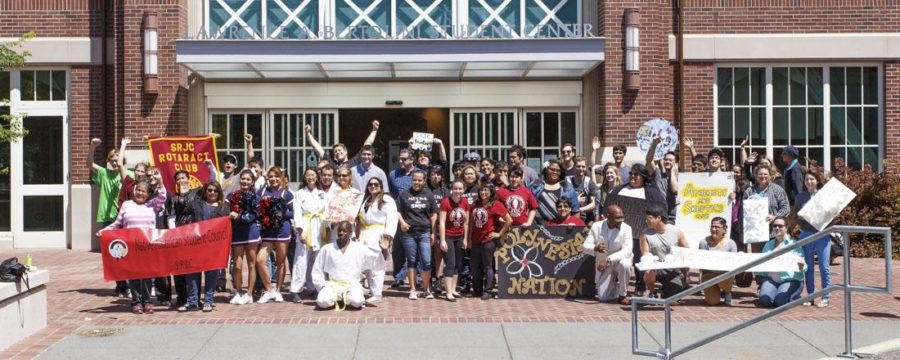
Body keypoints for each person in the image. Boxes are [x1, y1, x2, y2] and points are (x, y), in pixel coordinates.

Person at [97, 181, 166, 314]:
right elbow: (117, 223)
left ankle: (147, 302)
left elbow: (163, 196)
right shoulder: (127, 205)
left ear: (148, 194)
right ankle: (136, 302)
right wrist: (104, 231)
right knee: (133, 275)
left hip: (147, 246)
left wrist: (160, 182)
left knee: (147, 276)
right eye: (138, 190)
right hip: (131, 247)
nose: (140, 193)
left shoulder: (152, 205)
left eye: (143, 191)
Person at [88, 137, 132, 297]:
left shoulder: (128, 174)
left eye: (116, 160)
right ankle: (120, 285)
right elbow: (89, 164)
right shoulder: (104, 173)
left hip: (124, 218)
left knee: (126, 253)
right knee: (113, 254)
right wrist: (92, 146)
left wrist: (123, 146)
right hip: (108, 218)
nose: (114, 163)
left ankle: (127, 284)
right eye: (112, 160)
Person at [180, 180, 231, 312]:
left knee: (212, 275)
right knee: (192, 273)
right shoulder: (196, 204)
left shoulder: (224, 208)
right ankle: (192, 301)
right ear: (205, 191)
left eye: (215, 190)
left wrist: (234, 216)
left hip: (214, 247)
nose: (212, 193)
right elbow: (183, 209)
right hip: (195, 245)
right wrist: (184, 195)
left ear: (219, 192)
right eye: (209, 190)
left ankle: (208, 301)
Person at [311, 221, 379, 310]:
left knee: (357, 301)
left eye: (344, 230)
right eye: (339, 230)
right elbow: (317, 270)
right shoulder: (327, 248)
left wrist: (384, 251)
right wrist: (322, 285)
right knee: (322, 302)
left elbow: (373, 260)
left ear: (351, 232)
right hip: (333, 285)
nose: (340, 233)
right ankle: (338, 298)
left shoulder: (359, 248)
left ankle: (346, 298)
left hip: (352, 285)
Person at [162, 170, 204, 307]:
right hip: (179, 236)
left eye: (183, 178)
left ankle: (195, 298)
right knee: (178, 268)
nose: (181, 180)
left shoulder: (197, 193)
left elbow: (215, 184)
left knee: (194, 268)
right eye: (178, 178)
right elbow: (171, 216)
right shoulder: (173, 198)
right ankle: (181, 298)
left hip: (194, 235)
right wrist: (174, 234)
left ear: (189, 179)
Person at [396, 171, 438, 300]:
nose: (417, 182)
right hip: (408, 233)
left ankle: (426, 289)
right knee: (412, 261)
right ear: (411, 180)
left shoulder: (428, 194)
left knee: (426, 262)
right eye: (415, 180)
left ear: (424, 181)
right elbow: (397, 211)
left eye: (420, 180)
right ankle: (413, 289)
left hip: (424, 232)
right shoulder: (404, 194)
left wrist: (433, 233)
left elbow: (433, 215)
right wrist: (402, 223)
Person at [256, 166, 294, 304]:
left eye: (276, 176)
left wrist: (282, 214)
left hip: (282, 231)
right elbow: (256, 208)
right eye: (270, 176)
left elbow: (294, 212)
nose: (273, 179)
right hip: (267, 232)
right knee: (260, 260)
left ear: (281, 178)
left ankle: (278, 290)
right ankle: (269, 290)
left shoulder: (286, 193)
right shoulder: (262, 192)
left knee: (280, 262)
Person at [357, 177, 398, 304]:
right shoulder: (366, 200)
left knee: (377, 266)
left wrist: (387, 238)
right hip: (364, 236)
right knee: (367, 266)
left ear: (381, 186)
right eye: (370, 184)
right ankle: (371, 289)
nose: (373, 186)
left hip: (378, 235)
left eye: (376, 184)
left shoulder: (387, 200)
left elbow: (392, 219)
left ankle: (377, 293)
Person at [469, 184, 513, 300]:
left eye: (486, 190)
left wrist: (499, 234)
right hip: (475, 240)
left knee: (488, 266)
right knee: (475, 266)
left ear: (491, 192)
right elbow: (471, 223)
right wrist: (468, 238)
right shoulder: (475, 204)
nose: (483, 192)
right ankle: (477, 290)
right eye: (481, 190)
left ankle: (488, 290)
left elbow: (509, 220)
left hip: (488, 240)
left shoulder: (496, 204)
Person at [582, 205, 633, 304]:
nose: (621, 220)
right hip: (603, 264)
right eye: (617, 218)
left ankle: (623, 295)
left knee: (625, 264)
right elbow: (585, 246)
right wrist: (595, 248)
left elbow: (628, 250)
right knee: (603, 298)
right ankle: (616, 286)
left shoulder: (627, 228)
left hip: (619, 261)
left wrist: (609, 259)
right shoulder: (597, 226)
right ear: (608, 217)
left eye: (622, 217)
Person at [795, 169, 831, 307]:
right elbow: (797, 218)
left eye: (812, 179)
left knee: (824, 266)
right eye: (807, 180)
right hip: (806, 233)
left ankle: (825, 296)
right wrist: (801, 218)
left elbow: (832, 217)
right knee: (808, 267)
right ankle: (810, 296)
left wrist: (831, 219)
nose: (809, 182)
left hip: (822, 234)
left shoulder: (824, 196)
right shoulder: (800, 197)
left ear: (817, 181)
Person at [291, 168, 328, 303]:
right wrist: (301, 230)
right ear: (304, 178)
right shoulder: (299, 194)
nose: (311, 177)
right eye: (308, 175)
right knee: (301, 259)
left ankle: (314, 287)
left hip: (319, 227)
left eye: (313, 175)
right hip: (305, 226)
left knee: (317, 260)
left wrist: (327, 225)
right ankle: (295, 289)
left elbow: (326, 211)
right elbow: (297, 213)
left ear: (317, 177)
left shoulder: (323, 194)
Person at [640, 206, 690, 299]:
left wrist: (686, 275)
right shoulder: (645, 234)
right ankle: (652, 292)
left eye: (649, 218)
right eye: (646, 218)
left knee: (673, 300)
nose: (646, 221)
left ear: (658, 218)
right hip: (655, 268)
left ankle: (667, 290)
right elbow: (645, 254)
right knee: (648, 272)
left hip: (672, 269)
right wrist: (650, 261)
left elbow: (686, 251)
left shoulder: (676, 231)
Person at [228, 169, 262, 305]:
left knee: (252, 264)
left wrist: (241, 216)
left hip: (251, 233)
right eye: (243, 179)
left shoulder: (256, 197)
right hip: (237, 233)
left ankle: (249, 293)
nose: (245, 181)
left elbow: (256, 214)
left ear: (252, 182)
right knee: (237, 265)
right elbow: (224, 208)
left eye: (248, 179)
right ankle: (238, 291)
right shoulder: (231, 196)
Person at [758, 216, 806, 308]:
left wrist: (801, 265)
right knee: (765, 301)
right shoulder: (768, 245)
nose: (777, 228)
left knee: (780, 302)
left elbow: (804, 264)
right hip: (772, 279)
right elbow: (761, 263)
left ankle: (795, 297)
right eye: (774, 226)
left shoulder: (794, 244)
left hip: (790, 279)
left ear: (786, 227)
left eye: (780, 226)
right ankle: (775, 293)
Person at [387, 148, 416, 287]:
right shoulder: (393, 175)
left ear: (412, 159)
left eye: (404, 159)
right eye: (400, 159)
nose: (401, 161)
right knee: (397, 248)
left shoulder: (419, 174)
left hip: (415, 215)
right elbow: (391, 194)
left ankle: (416, 277)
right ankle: (399, 276)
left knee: (414, 248)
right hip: (398, 215)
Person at [439, 180, 469, 302]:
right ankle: (448, 292)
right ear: (452, 189)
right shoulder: (446, 202)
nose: (458, 191)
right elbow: (441, 222)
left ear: (464, 189)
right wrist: (442, 240)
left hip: (459, 236)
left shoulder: (465, 202)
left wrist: (466, 239)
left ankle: (453, 289)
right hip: (448, 236)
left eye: (460, 189)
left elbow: (466, 222)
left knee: (458, 264)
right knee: (450, 263)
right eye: (455, 189)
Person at [305, 121, 379, 169]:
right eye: (335, 151)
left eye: (339, 150)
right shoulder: (332, 164)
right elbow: (317, 149)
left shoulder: (354, 162)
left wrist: (374, 130)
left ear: (346, 151)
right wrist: (308, 134)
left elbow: (367, 145)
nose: (337, 152)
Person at [698, 217, 738, 306]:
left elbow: (734, 263)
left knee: (727, 277)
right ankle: (714, 291)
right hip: (709, 274)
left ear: (724, 229)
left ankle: (727, 292)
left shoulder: (731, 244)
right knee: (712, 302)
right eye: (712, 226)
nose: (713, 229)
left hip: (725, 274)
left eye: (717, 227)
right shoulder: (703, 242)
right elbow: (701, 262)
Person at [568, 156, 597, 224]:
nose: (581, 169)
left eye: (583, 166)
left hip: (587, 220)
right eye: (578, 166)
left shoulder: (589, 182)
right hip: (571, 220)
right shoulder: (568, 182)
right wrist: (575, 201)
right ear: (574, 167)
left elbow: (593, 204)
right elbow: (562, 202)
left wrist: (578, 209)